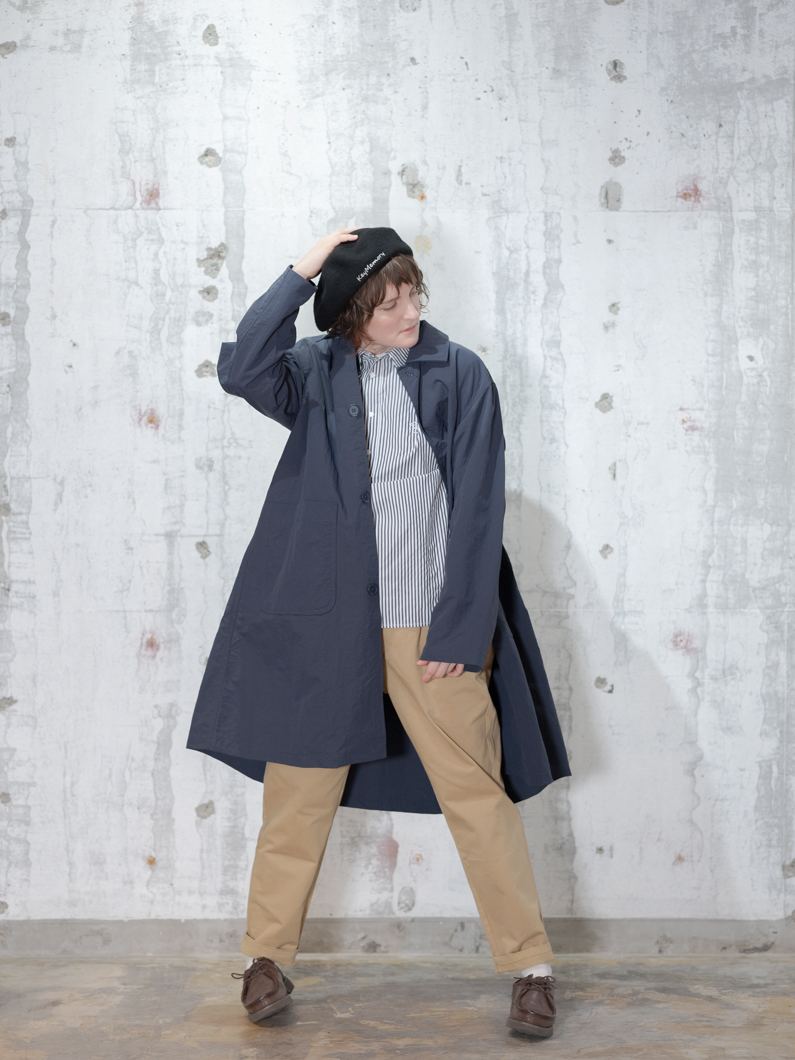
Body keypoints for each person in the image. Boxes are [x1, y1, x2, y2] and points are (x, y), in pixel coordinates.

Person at [187, 227, 571, 1039]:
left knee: (477, 794)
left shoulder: (456, 372)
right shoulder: (311, 373)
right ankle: (264, 959)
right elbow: (242, 367)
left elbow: (478, 506)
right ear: (348, 312)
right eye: (387, 302)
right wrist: (303, 270)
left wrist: (460, 632)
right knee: (297, 801)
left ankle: (530, 969)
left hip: (428, 626)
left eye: (413, 294)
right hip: (323, 630)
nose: (408, 312)